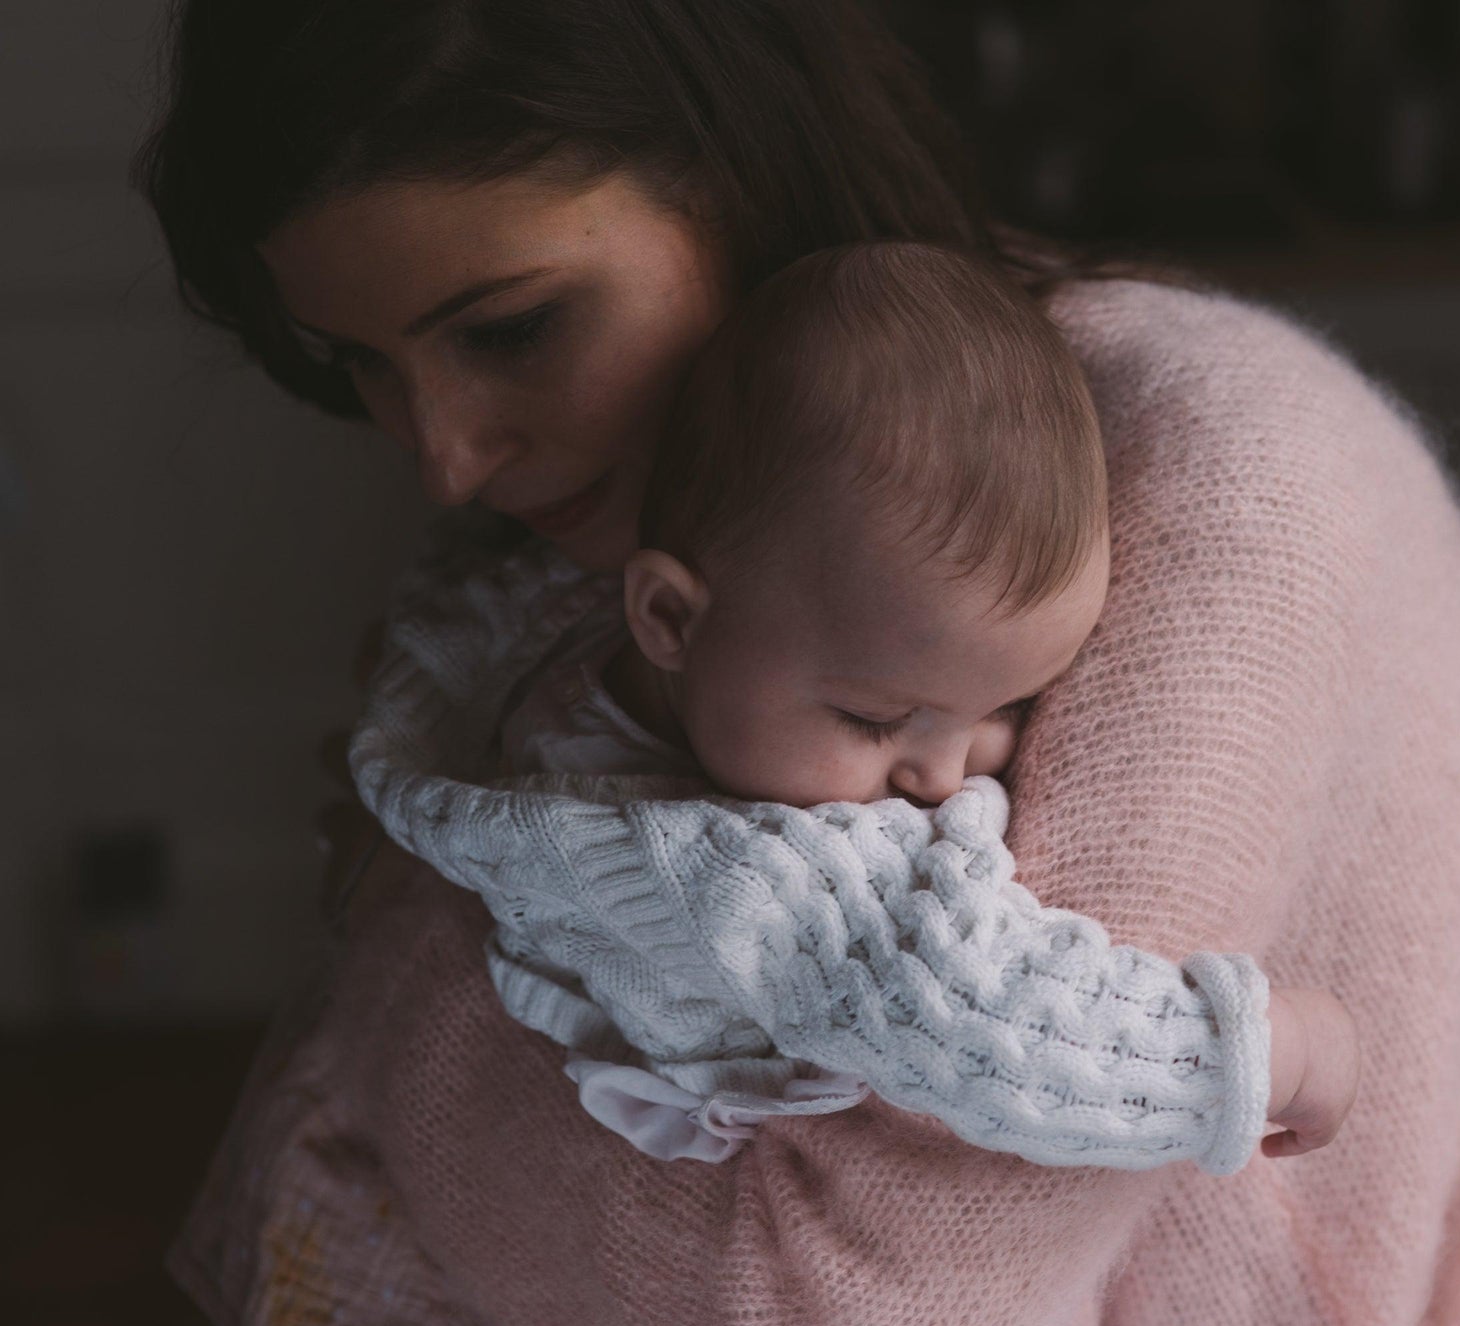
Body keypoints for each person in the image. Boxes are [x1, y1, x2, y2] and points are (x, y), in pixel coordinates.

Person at [141, 1, 1460, 1326]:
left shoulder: (1209, 487)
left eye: (511, 328)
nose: (445, 461)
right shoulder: (703, 484)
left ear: (731, 165)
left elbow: (821, 1300)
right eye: (362, 363)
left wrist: (397, 934)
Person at [354, 238, 1359, 1172]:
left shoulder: (542, 624)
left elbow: (444, 622)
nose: (940, 773)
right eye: (876, 719)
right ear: (666, 616)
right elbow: (993, 1020)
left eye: (1007, 705)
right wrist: (1255, 1052)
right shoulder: (767, 875)